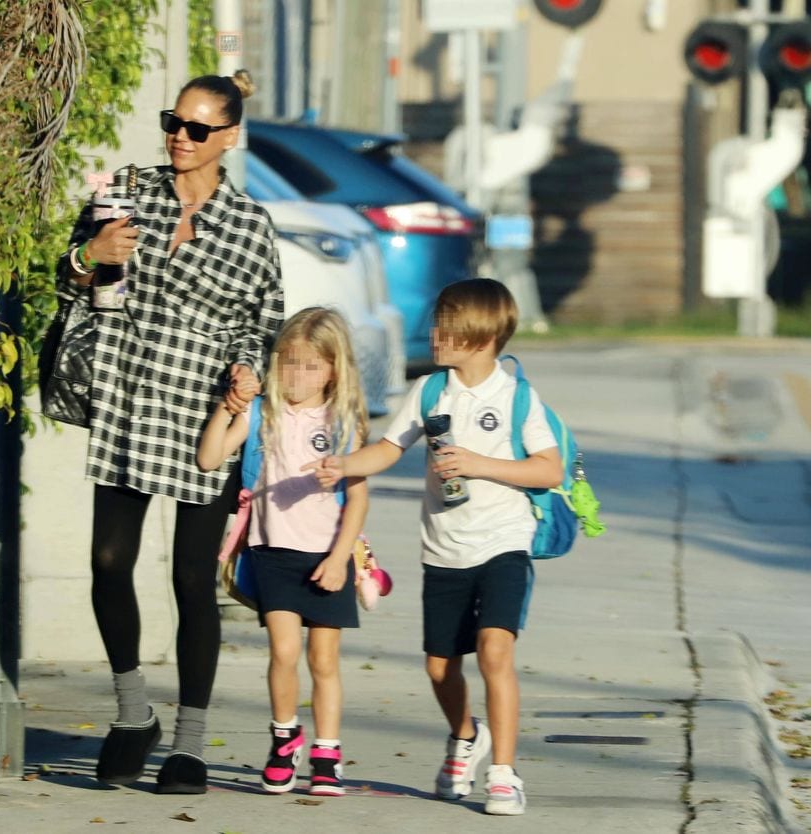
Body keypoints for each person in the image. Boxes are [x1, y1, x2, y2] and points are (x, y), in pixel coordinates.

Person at [55, 70, 284, 794]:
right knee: (107, 563)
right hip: (127, 396)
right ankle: (132, 715)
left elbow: (265, 320)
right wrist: (92, 258)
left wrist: (248, 373)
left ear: (229, 137)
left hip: (202, 414)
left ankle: (188, 742)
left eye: (197, 129)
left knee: (192, 579)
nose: (179, 138)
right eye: (172, 122)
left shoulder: (249, 224)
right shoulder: (126, 188)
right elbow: (68, 277)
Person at [304, 279, 561, 815]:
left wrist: (479, 464)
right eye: (437, 323)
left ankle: (505, 774)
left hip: (503, 543)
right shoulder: (429, 392)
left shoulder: (516, 397)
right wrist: (344, 464)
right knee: (440, 668)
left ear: (482, 337)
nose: (435, 334)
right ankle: (466, 736)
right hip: (443, 550)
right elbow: (387, 449)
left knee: (495, 651)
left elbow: (549, 467)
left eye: (447, 326)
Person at [197, 307, 369, 797]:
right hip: (272, 552)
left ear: (334, 369)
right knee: (284, 652)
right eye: (289, 362)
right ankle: (284, 738)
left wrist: (339, 560)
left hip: (327, 557)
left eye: (311, 365)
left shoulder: (342, 422)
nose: (298, 375)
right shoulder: (262, 413)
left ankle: (327, 753)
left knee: (324, 661)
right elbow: (209, 458)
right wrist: (227, 408)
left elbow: (357, 498)